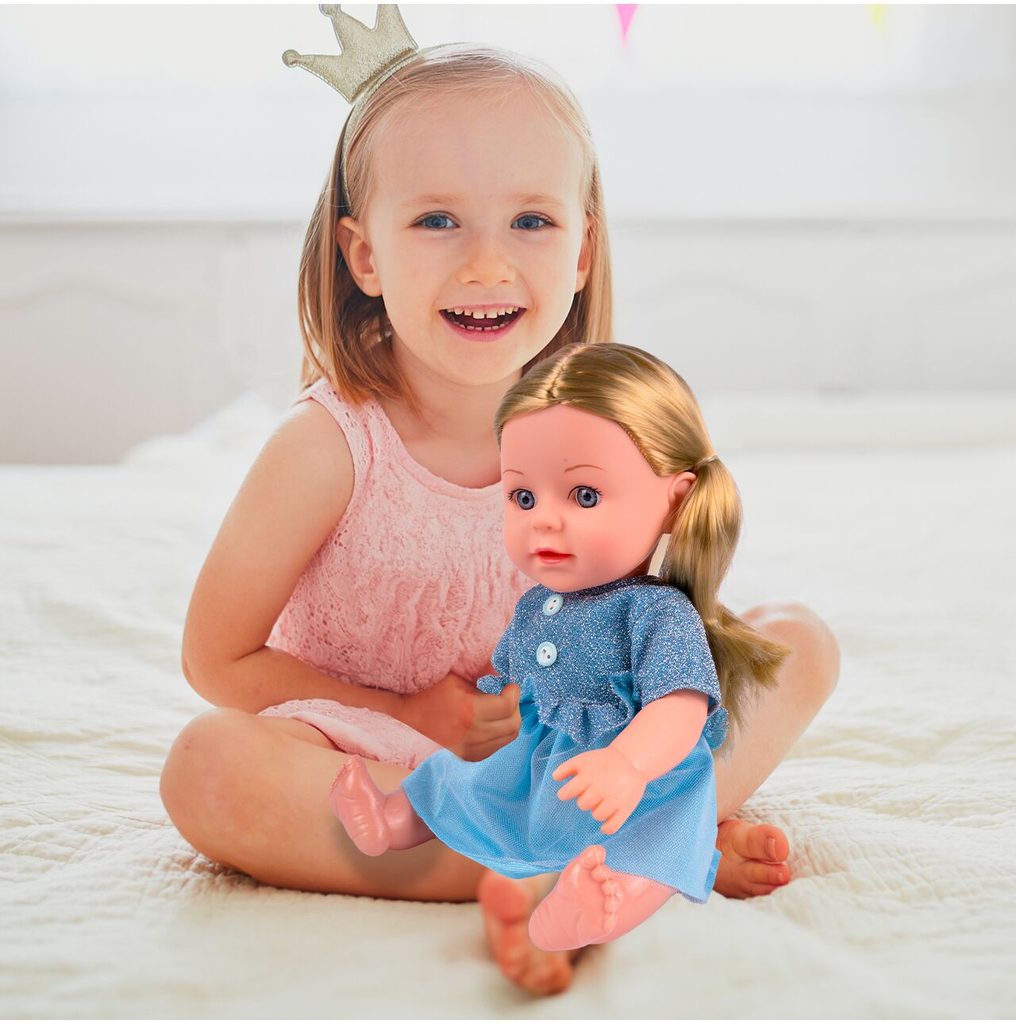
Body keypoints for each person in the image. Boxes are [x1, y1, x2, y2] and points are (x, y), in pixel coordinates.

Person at [160, 7, 840, 997]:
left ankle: (617, 836)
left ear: (580, 250)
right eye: (436, 220)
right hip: (377, 752)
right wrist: (405, 713)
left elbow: (646, 611)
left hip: (563, 752)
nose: (486, 264)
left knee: (796, 642)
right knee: (207, 766)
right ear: (362, 254)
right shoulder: (328, 447)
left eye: (530, 220)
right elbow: (215, 660)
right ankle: (604, 858)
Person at [332, 342, 791, 953]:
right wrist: (492, 709)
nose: (543, 520)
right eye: (523, 498)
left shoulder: (657, 612)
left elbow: (681, 706)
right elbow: (516, 678)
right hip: (541, 760)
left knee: (653, 847)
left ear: (676, 501)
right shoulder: (537, 605)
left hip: (636, 780)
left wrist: (629, 765)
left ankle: (599, 909)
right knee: (456, 781)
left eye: (584, 496)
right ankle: (394, 821)